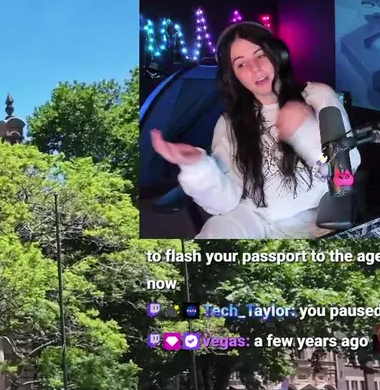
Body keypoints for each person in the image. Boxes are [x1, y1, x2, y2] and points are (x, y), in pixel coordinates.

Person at [150, 22, 360, 239]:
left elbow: (345, 167)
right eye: (241, 64)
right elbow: (225, 203)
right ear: (234, 76)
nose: (255, 68)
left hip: (312, 220)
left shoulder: (316, 96)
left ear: (277, 55)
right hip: (253, 219)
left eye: (261, 55)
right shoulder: (229, 123)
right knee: (216, 234)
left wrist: (302, 133)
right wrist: (198, 167)